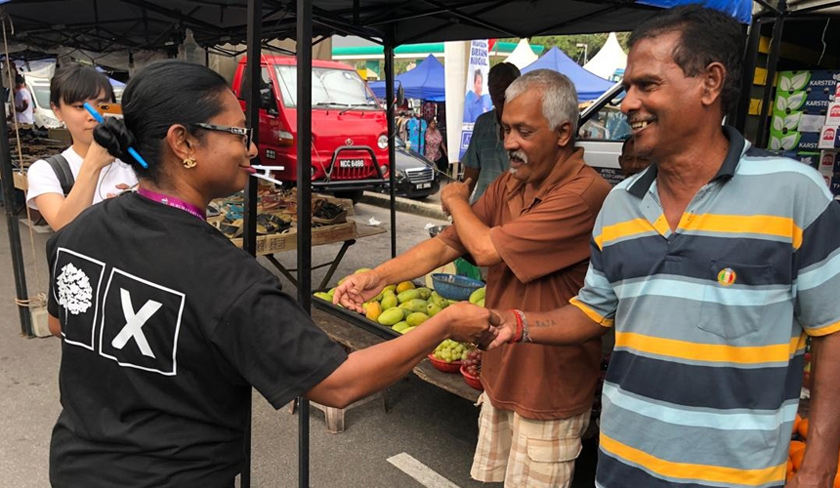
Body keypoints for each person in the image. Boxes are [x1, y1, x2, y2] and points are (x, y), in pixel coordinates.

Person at [45, 60, 497, 488]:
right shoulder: (224, 277)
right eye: (239, 132)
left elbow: (60, 322)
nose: (253, 147)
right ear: (183, 143)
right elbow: (339, 383)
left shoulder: (78, 232)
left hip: (76, 469)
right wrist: (446, 323)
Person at [487, 6, 840, 488]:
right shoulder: (619, 206)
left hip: (738, 477)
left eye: (646, 85)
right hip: (621, 468)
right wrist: (518, 324)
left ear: (710, 83)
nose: (627, 103)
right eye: (627, 86)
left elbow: (832, 333)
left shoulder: (795, 192)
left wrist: (818, 464)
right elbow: (592, 312)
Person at [335, 69, 611, 487]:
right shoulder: (510, 184)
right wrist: (379, 277)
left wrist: (453, 198)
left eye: (523, 131)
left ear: (562, 132)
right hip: (503, 370)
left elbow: (484, 249)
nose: (509, 143)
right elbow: (448, 244)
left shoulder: (583, 194)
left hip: (549, 386)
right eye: (505, 130)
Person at [25, 64, 137, 230]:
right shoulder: (47, 171)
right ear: (57, 111)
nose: (93, 116)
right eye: (79, 106)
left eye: (103, 104)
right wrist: (93, 164)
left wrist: (139, 197)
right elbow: (64, 229)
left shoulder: (139, 158)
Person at [462, 62, 520, 202]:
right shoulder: (482, 123)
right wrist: (460, 203)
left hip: (514, 209)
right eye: (495, 87)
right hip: (482, 205)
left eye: (505, 87)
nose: (500, 93)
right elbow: (471, 170)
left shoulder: (527, 126)